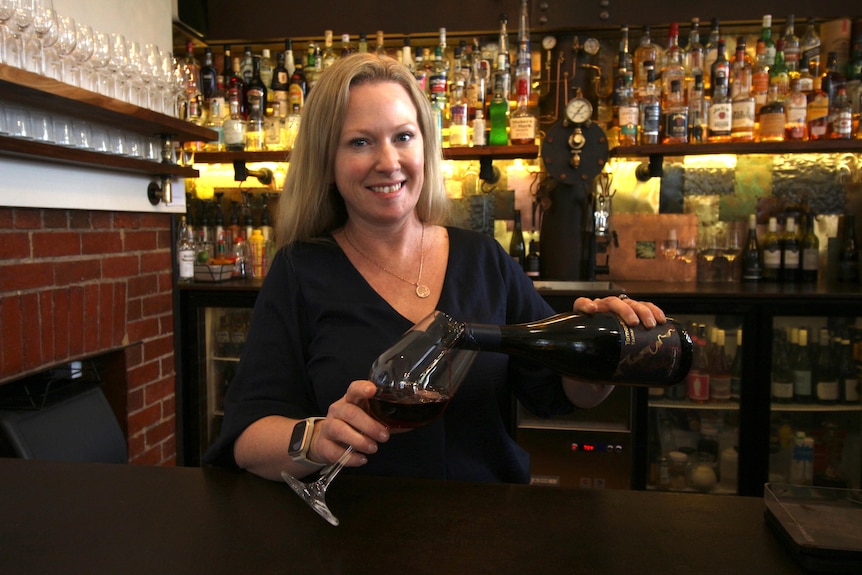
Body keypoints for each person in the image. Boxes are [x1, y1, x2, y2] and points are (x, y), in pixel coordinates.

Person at [204, 53, 666, 483]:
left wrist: (606, 351)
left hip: (482, 535)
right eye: (360, 142)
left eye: (403, 137)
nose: (389, 162)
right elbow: (247, 440)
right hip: (353, 535)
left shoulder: (484, 260)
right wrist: (316, 438)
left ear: (426, 148)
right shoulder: (301, 270)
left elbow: (561, 393)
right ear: (327, 163)